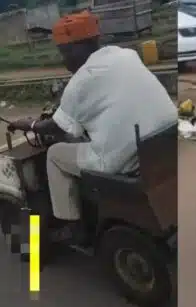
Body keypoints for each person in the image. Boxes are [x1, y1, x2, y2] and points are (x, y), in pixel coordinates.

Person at [8, 11, 177, 242]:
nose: (63, 59)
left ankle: (71, 224)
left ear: (75, 48)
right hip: (163, 141)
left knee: (56, 154)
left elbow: (58, 129)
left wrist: (31, 125)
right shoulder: (126, 55)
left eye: (64, 52)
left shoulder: (80, 82)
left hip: (125, 158)